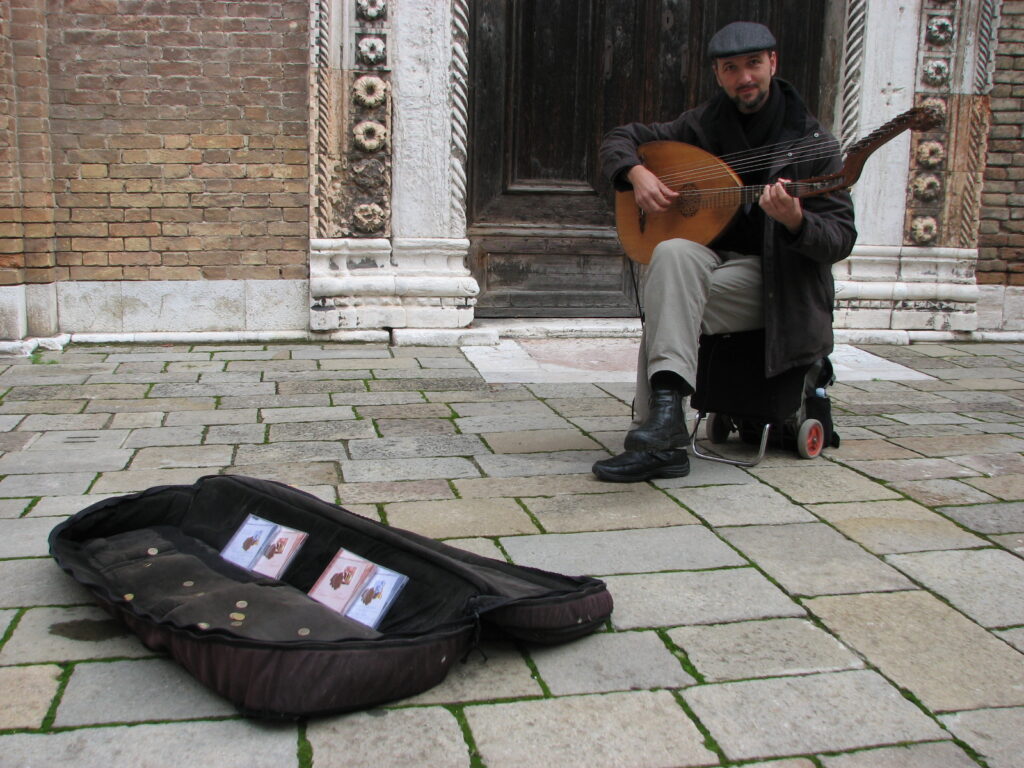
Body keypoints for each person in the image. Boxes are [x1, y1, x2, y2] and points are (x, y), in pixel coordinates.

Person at [593, 21, 857, 482]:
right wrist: (636, 173)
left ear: (772, 62)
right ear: (718, 74)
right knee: (672, 256)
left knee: (668, 297)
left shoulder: (812, 143)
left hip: (777, 285)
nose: (744, 77)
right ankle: (665, 427)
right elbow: (619, 138)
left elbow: (840, 238)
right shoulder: (700, 126)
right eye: (731, 68)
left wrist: (796, 221)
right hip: (710, 268)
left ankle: (656, 441)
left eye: (753, 64)